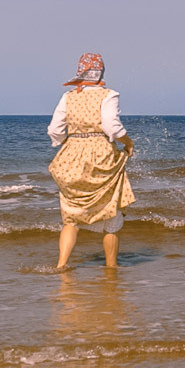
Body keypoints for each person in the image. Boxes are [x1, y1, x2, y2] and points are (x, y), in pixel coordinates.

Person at [47, 54, 136, 270]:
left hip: (71, 153)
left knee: (71, 217)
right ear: (101, 73)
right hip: (101, 153)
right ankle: (111, 269)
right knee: (111, 218)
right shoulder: (108, 95)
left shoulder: (68, 97)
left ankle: (61, 266)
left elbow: (54, 131)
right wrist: (128, 143)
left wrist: (68, 142)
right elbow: (112, 127)